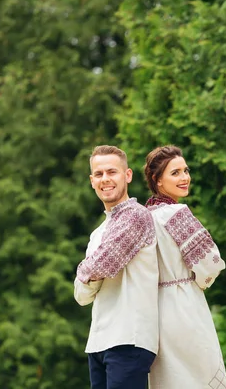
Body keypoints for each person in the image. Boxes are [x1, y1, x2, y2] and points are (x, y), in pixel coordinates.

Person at [143, 145, 226, 389]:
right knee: (200, 377)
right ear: (157, 180)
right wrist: (198, 282)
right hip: (184, 306)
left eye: (185, 170)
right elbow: (210, 263)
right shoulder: (177, 213)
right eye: (175, 173)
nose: (185, 178)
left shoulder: (143, 217)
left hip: (154, 310)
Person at [74, 145, 158, 389]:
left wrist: (86, 272)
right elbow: (80, 296)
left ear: (128, 175)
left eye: (112, 172)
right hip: (99, 341)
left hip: (129, 339)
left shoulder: (136, 216)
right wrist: (90, 272)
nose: (105, 179)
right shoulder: (97, 234)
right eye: (98, 174)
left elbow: (103, 263)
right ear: (92, 181)